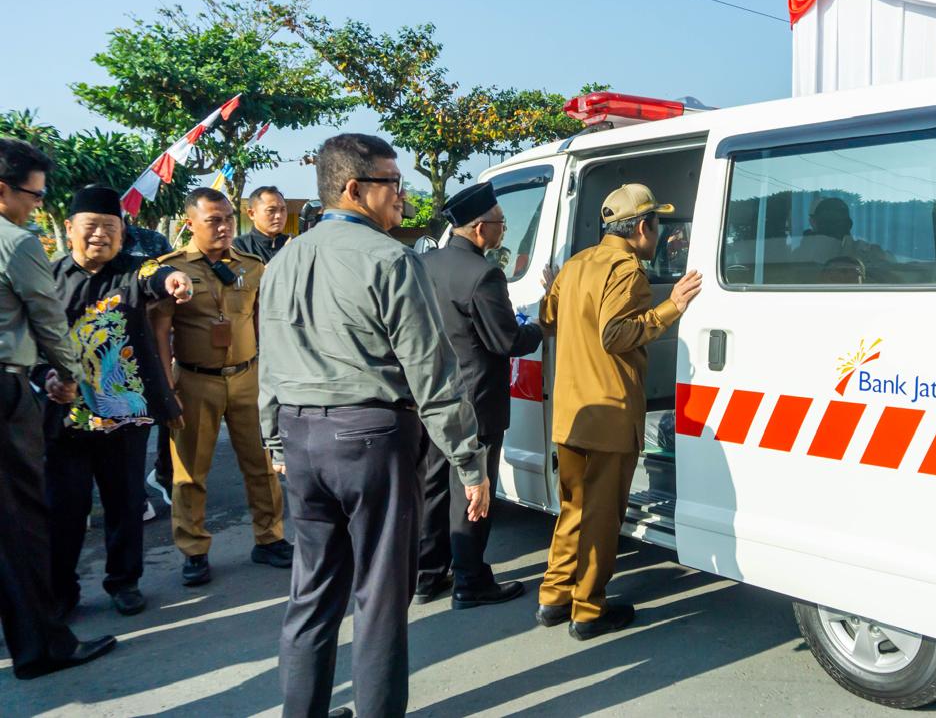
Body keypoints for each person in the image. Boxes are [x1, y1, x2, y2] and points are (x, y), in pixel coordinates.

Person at [258, 133, 489, 718]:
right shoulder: (389, 259)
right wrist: (468, 461)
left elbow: (270, 359)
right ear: (354, 188)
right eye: (392, 183)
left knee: (310, 595)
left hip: (301, 438)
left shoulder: (283, 258)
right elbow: (433, 373)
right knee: (381, 599)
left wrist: (272, 437)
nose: (401, 196)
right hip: (369, 437)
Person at [536, 184, 702, 640]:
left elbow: (546, 323)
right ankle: (588, 609)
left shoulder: (575, 265)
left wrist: (556, 292)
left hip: (571, 412)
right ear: (643, 227)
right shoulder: (628, 272)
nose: (660, 234)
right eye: (658, 225)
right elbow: (615, 335)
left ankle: (554, 596)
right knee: (603, 515)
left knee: (573, 507)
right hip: (609, 414)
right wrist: (673, 307)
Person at [43, 186, 192, 617]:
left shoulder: (133, 272)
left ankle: (123, 582)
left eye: (111, 229)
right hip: (66, 417)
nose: (101, 237)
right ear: (69, 229)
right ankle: (62, 590)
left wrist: (173, 280)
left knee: (125, 504)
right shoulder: (49, 278)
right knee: (65, 509)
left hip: (124, 416)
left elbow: (157, 278)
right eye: (92, 228)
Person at [0, 138, 117, 679]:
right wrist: (68, 376)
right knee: (20, 522)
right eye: (32, 195)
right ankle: (43, 645)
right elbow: (48, 319)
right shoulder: (16, 242)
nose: (37, 207)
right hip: (7, 391)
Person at [150, 188, 291, 587]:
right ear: (189, 223)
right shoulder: (171, 269)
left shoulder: (251, 267)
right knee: (190, 471)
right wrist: (166, 387)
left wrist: (272, 378)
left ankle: (270, 538)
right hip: (195, 380)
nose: (224, 226)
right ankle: (194, 550)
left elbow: (263, 324)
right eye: (213, 219)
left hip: (249, 378)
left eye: (228, 218)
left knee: (261, 465)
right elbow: (160, 333)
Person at [417, 181, 543, 608]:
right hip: (476, 400)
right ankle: (470, 581)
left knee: (434, 488)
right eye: (500, 224)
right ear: (477, 227)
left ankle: (427, 574)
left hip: (432, 396)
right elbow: (505, 340)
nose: (503, 231)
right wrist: (542, 326)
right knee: (472, 491)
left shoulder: (426, 263)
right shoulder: (484, 274)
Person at [121, 222, 177, 515]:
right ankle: (134, 494)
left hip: (153, 342)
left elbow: (164, 274)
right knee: (132, 426)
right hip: (116, 356)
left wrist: (171, 280)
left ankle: (164, 475)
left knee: (168, 415)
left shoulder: (149, 241)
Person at [233, 185, 291, 263]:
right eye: (271, 210)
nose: (279, 216)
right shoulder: (239, 247)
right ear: (252, 214)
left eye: (283, 210)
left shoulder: (295, 243)